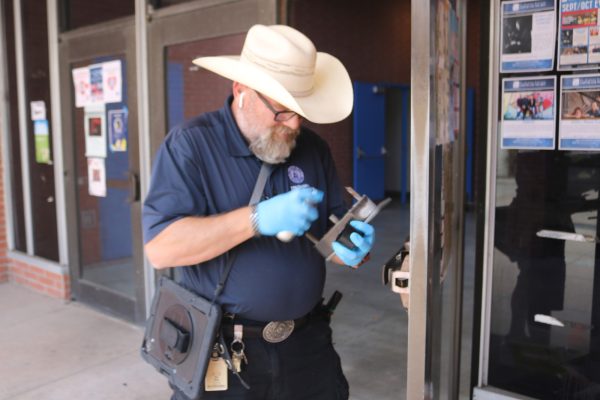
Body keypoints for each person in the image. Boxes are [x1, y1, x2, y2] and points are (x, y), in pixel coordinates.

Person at [142, 24, 376, 400]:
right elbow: (161, 249)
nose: (294, 124)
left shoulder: (312, 148)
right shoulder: (191, 146)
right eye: (282, 112)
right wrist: (255, 219)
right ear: (242, 92)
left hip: (307, 344)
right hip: (226, 349)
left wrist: (351, 247)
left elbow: (335, 225)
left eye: (300, 112)